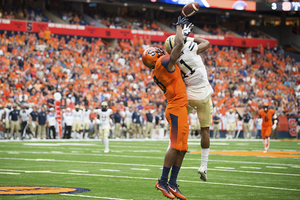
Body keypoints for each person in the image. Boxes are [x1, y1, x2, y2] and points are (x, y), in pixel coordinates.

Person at [142, 16, 189, 200]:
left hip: (180, 107)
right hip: (176, 108)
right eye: (156, 51)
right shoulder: (162, 63)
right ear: (154, 57)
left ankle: (173, 183)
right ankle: (162, 181)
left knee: (183, 148)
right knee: (175, 146)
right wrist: (179, 27)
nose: (159, 51)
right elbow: (178, 47)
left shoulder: (159, 67)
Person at [165, 23, 212, 182]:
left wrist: (182, 39)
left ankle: (170, 148)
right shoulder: (190, 47)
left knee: (177, 126)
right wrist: (188, 37)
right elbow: (206, 43)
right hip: (203, 93)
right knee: (205, 130)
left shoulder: (170, 60)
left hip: (188, 95)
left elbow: (177, 49)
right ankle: (203, 165)